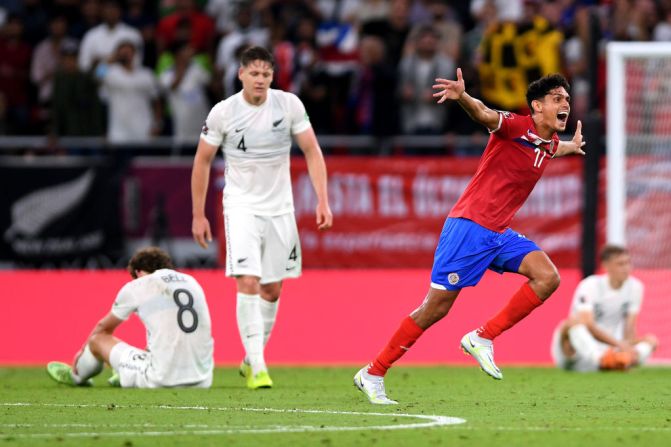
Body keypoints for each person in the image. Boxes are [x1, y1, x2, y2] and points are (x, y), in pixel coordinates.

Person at [354, 68, 586, 405]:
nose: (565, 103)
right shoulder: (515, 126)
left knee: (547, 277)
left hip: (497, 234)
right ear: (537, 107)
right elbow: (484, 114)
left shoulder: (547, 143)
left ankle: (482, 337)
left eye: (567, 98)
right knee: (434, 310)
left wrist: (570, 146)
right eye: (557, 99)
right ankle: (373, 372)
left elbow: (551, 150)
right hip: (469, 227)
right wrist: (463, 96)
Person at [191, 46, 333, 390]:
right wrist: (199, 215)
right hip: (241, 207)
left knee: (272, 289)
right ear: (241, 74)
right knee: (248, 281)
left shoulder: (289, 105)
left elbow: (312, 150)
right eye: (254, 73)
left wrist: (322, 200)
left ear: (273, 77)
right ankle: (258, 365)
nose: (260, 80)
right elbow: (202, 161)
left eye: (266, 74)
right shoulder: (224, 112)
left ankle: (251, 356)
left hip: (280, 209)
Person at [47, 247, 214, 388]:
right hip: (203, 380)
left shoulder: (139, 284)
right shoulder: (191, 282)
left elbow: (103, 328)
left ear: (138, 272)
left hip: (162, 380)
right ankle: (125, 372)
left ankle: (76, 375)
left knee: (97, 341)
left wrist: (81, 351)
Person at [551, 245, 658, 372]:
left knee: (651, 340)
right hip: (577, 353)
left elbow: (629, 328)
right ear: (606, 266)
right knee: (571, 323)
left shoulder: (635, 287)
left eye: (628, 263)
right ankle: (602, 360)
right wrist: (619, 344)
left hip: (610, 348)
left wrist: (628, 348)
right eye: (620, 264)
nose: (626, 268)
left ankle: (620, 361)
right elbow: (588, 324)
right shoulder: (590, 285)